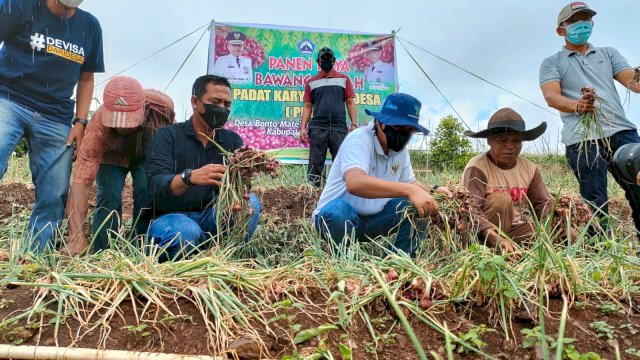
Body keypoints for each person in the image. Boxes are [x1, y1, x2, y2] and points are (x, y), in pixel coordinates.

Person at [0, 0, 104, 250]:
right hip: (9, 98)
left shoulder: (89, 26)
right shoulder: (19, 6)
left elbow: (87, 77)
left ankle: (33, 256)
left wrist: (80, 121)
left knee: (55, 190)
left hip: (56, 115)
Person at [540, 2, 640, 238]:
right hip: (583, 138)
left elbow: (635, 85)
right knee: (594, 198)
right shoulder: (552, 62)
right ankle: (600, 250)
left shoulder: (608, 53)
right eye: (575, 21)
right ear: (561, 30)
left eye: (586, 19)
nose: (582, 24)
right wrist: (577, 106)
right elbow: (551, 96)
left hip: (621, 132)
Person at [313, 93, 450, 257]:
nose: (403, 135)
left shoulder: (399, 151)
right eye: (399, 128)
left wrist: (433, 190)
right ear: (380, 122)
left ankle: (397, 264)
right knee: (337, 211)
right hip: (339, 221)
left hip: (374, 221)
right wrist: (409, 191)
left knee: (419, 205)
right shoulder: (359, 139)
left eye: (409, 130)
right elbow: (355, 183)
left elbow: (409, 181)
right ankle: (341, 263)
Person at [145, 75, 261, 262]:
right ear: (195, 102)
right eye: (215, 102)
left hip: (211, 217)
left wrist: (240, 195)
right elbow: (156, 186)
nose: (222, 109)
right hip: (172, 219)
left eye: (227, 104)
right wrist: (189, 177)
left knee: (252, 203)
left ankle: (228, 260)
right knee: (187, 233)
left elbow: (241, 186)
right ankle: (186, 265)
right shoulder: (167, 136)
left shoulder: (232, 141)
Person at [66, 77, 175, 256]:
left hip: (146, 153)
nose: (122, 127)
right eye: (116, 122)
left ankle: (143, 247)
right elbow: (80, 183)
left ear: (144, 108)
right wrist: (75, 236)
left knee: (147, 191)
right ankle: (105, 252)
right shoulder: (97, 130)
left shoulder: (162, 108)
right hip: (112, 155)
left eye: (129, 121)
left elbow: (172, 142)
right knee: (109, 195)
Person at [462, 108, 552, 256]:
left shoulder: (529, 168)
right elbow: (471, 210)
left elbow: (542, 203)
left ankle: (513, 249)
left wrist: (558, 219)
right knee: (501, 198)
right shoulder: (477, 167)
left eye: (516, 141)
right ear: (490, 141)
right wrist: (495, 238)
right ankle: (491, 252)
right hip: (482, 232)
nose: (510, 146)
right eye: (503, 140)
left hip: (513, 229)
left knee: (557, 235)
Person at [300, 47, 358, 187]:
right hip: (318, 128)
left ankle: (340, 190)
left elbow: (350, 103)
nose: (326, 61)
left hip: (339, 128)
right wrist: (303, 127)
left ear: (334, 60)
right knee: (315, 164)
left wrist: (354, 124)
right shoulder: (311, 82)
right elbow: (308, 106)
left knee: (342, 162)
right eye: (323, 59)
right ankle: (313, 193)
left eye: (328, 58)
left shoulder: (344, 79)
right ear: (318, 62)